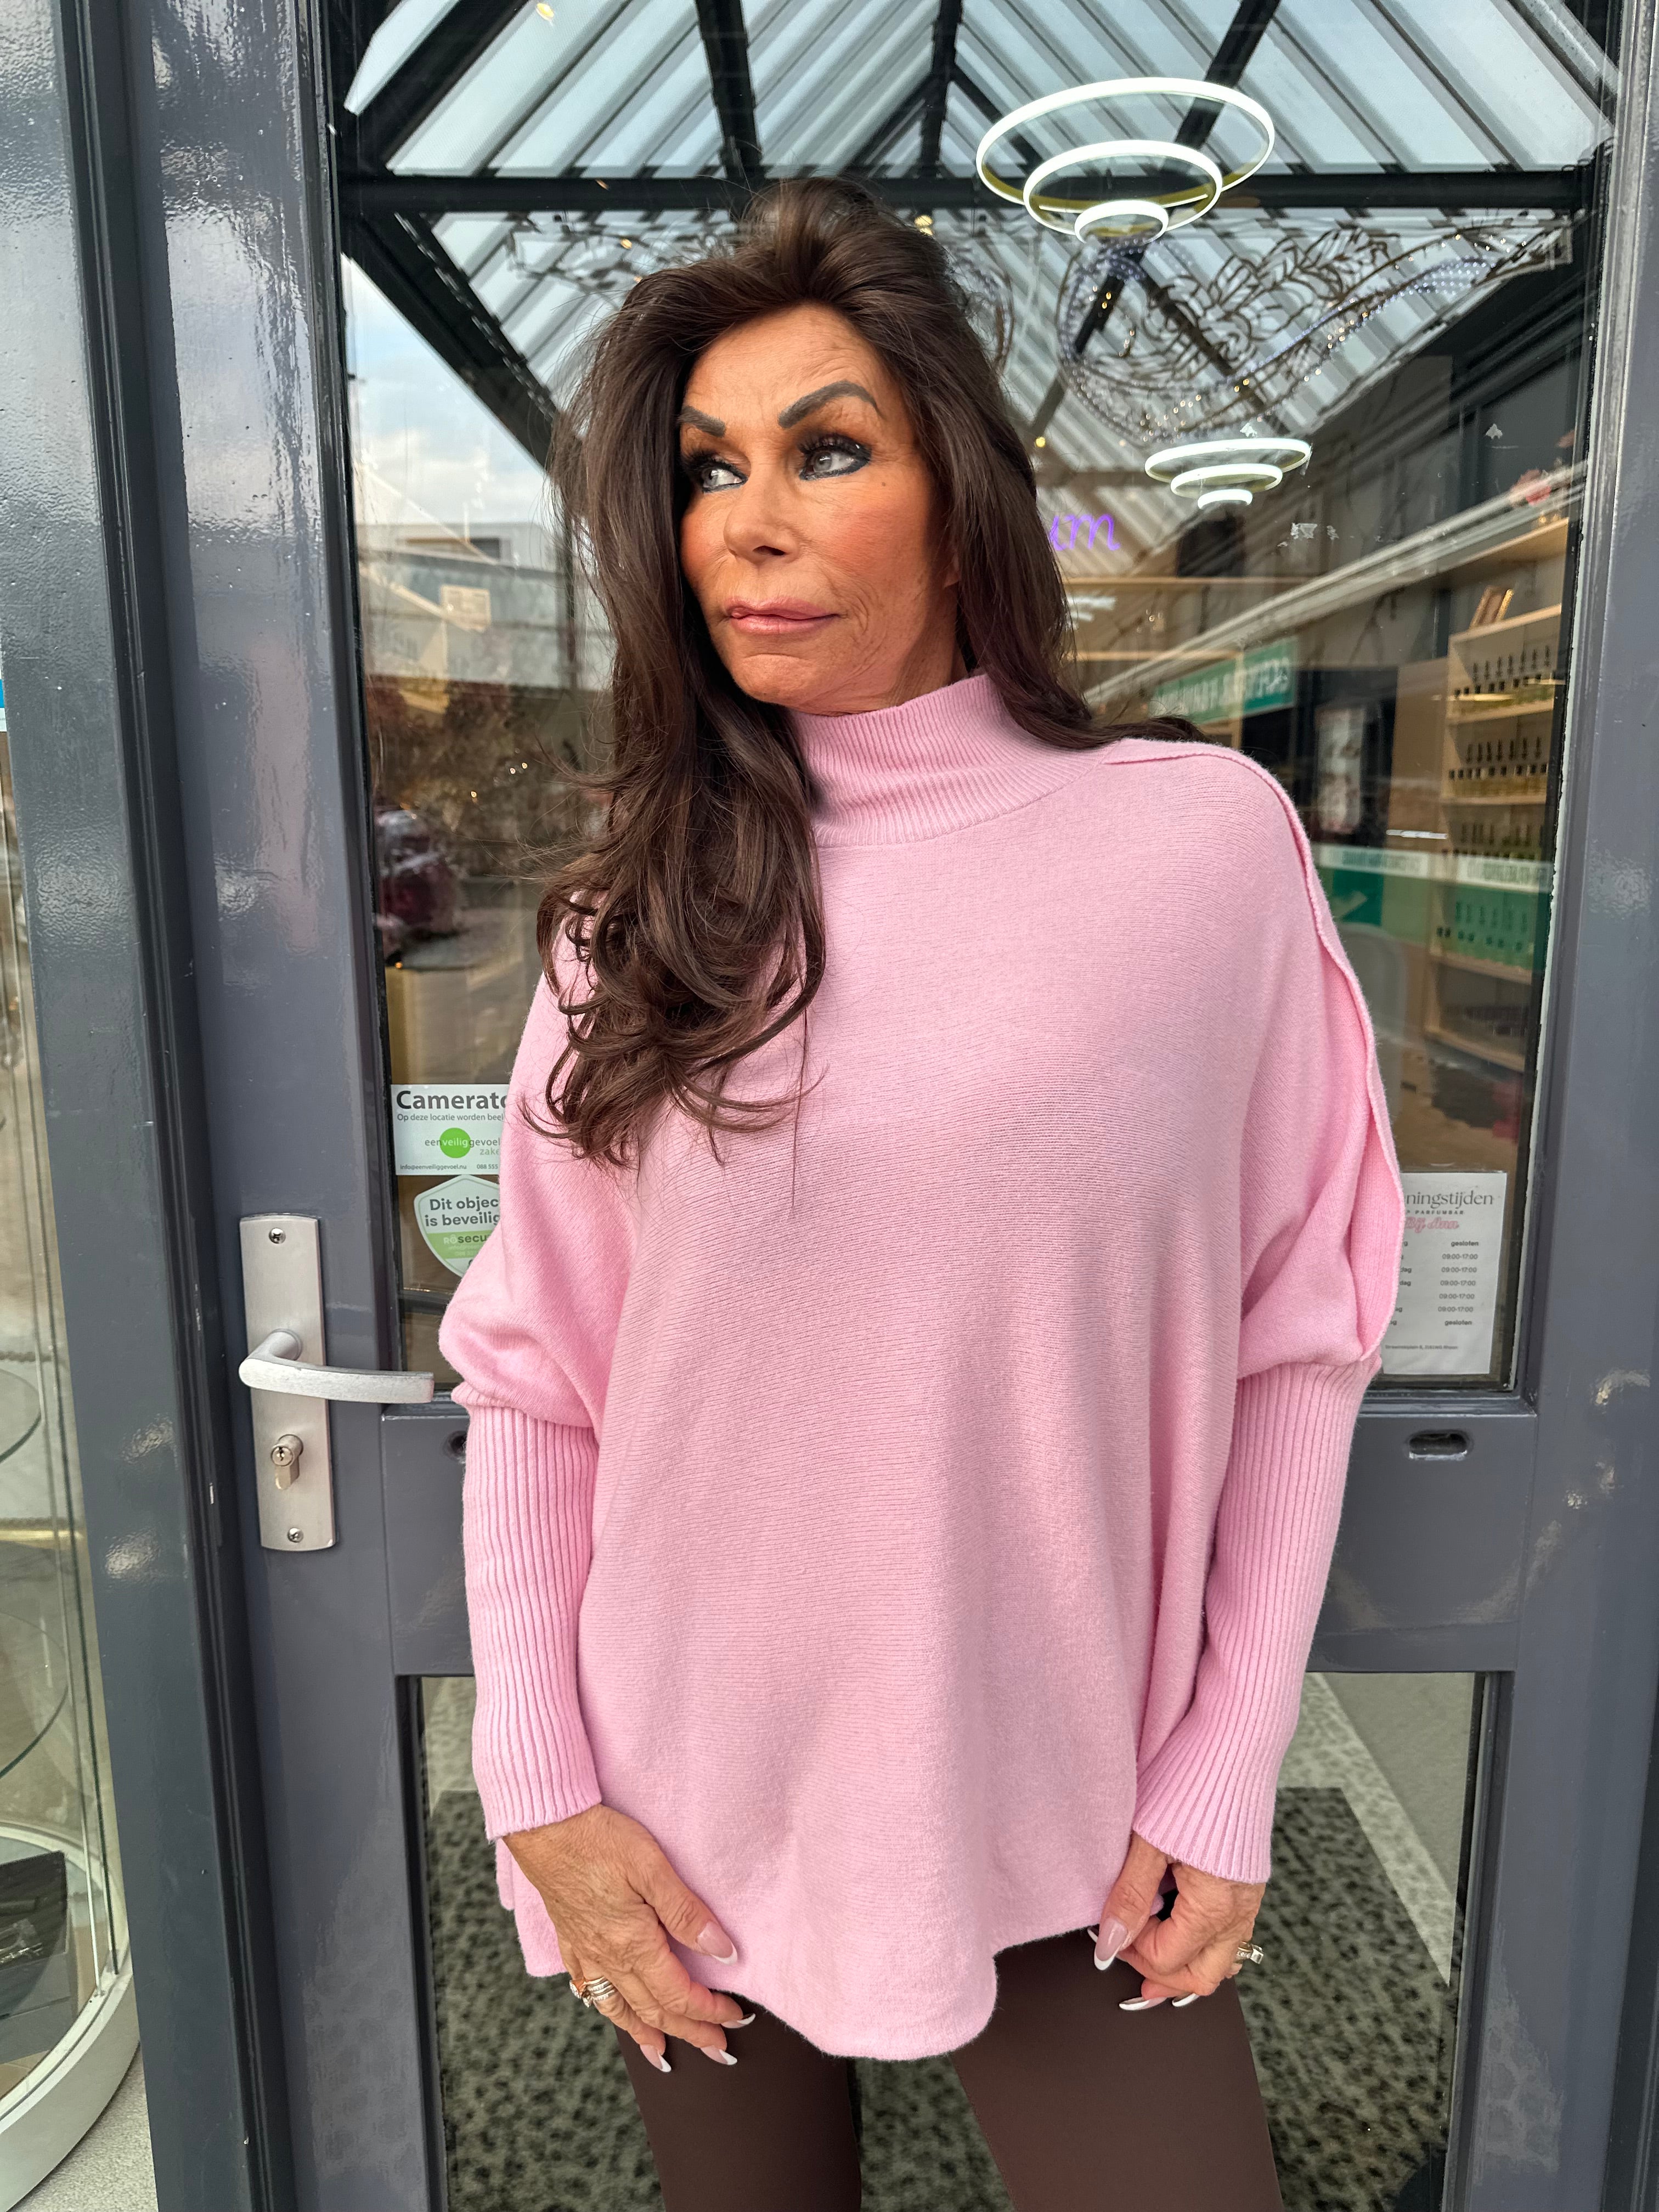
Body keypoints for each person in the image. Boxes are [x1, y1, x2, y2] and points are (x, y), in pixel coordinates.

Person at [438, 177, 1403, 2212]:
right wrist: (540, 1785)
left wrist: (1227, 1759)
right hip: (686, 1809)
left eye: (826, 451)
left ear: (962, 501)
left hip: (1075, 1802)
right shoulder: (640, 922)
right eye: (707, 471)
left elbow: (1299, 1336)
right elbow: (537, 1382)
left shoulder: (1201, 853)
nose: (745, 522)